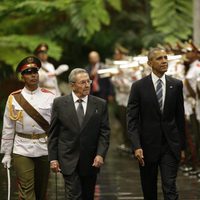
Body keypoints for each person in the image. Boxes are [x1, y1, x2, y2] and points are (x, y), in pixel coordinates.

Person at [127, 47, 186, 200]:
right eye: (159, 58)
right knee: (149, 190)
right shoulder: (138, 87)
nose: (164, 61)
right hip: (147, 147)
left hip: (170, 145)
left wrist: (182, 147)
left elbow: (180, 118)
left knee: (170, 188)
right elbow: (132, 119)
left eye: (165, 57)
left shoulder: (176, 85)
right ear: (150, 63)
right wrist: (136, 146)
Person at [48, 68, 110, 200]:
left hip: (91, 160)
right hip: (68, 158)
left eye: (88, 81)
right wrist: (53, 158)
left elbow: (104, 132)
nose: (87, 85)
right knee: (74, 195)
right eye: (82, 82)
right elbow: (54, 133)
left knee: (88, 195)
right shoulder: (59, 103)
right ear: (72, 85)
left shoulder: (100, 104)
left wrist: (100, 154)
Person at [1, 56, 55, 199]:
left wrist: (57, 152)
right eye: (29, 72)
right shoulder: (14, 98)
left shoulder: (50, 97)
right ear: (22, 76)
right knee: (26, 188)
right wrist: (6, 153)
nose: (33, 75)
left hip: (44, 147)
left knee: (41, 190)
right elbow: (8, 128)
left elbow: (56, 127)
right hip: (21, 148)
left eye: (35, 72)